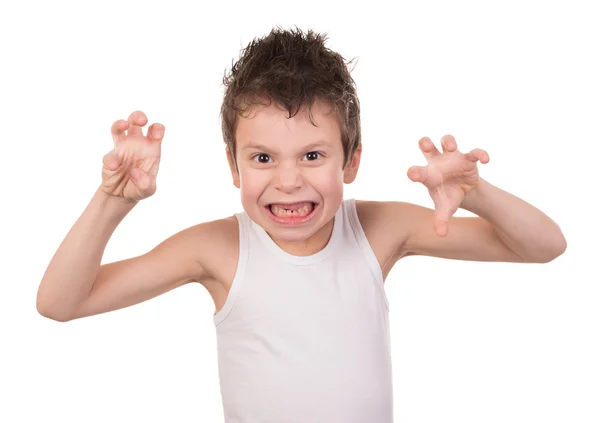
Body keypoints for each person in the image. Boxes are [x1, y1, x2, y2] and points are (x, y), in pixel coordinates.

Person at [36, 27, 566, 422]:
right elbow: (60, 303)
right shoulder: (217, 248)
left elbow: (544, 245)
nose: (288, 181)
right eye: (263, 158)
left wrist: (479, 193)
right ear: (233, 165)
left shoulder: (378, 229)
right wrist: (112, 201)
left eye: (312, 155)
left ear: (350, 161)